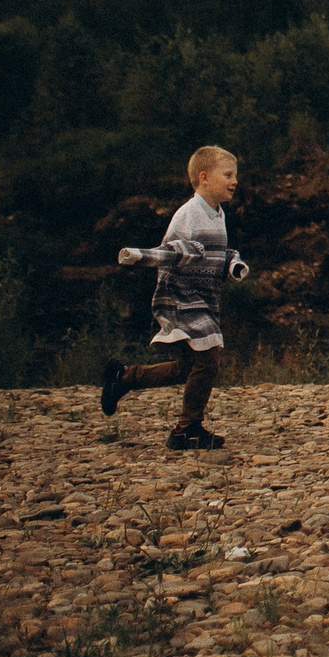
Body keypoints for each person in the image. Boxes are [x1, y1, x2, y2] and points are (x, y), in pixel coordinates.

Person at [100, 144, 249, 450]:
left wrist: (232, 264)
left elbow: (217, 252)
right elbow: (171, 253)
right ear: (204, 177)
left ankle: (124, 378)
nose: (235, 181)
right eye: (228, 175)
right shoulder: (188, 214)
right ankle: (186, 429)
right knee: (209, 357)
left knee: (190, 367)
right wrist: (137, 256)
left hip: (205, 298)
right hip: (182, 298)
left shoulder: (217, 214)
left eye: (235, 175)